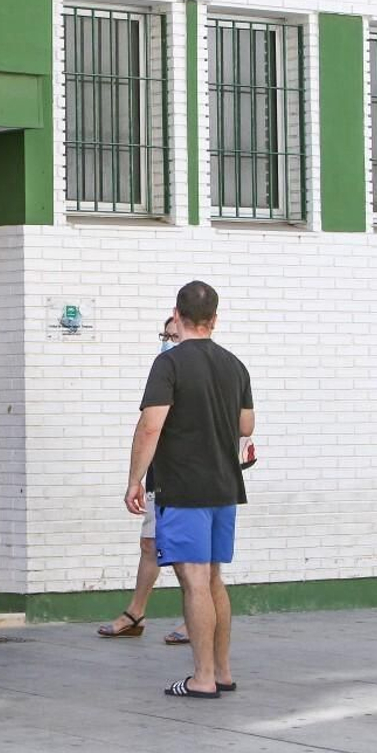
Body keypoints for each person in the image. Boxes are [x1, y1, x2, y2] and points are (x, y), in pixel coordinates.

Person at [126, 282, 254, 700]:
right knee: (214, 578)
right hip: (225, 486)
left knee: (194, 580)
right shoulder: (235, 365)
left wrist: (135, 480)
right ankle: (223, 672)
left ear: (177, 315)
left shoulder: (169, 363)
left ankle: (202, 678)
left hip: (183, 486)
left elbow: (151, 426)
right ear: (214, 319)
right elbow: (246, 426)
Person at [99, 316, 188, 645]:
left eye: (174, 336)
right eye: (165, 335)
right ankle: (136, 613)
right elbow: (148, 425)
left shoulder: (190, 373)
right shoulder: (164, 370)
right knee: (150, 543)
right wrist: (137, 476)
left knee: (182, 552)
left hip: (185, 476)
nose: (168, 341)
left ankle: (195, 618)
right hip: (159, 472)